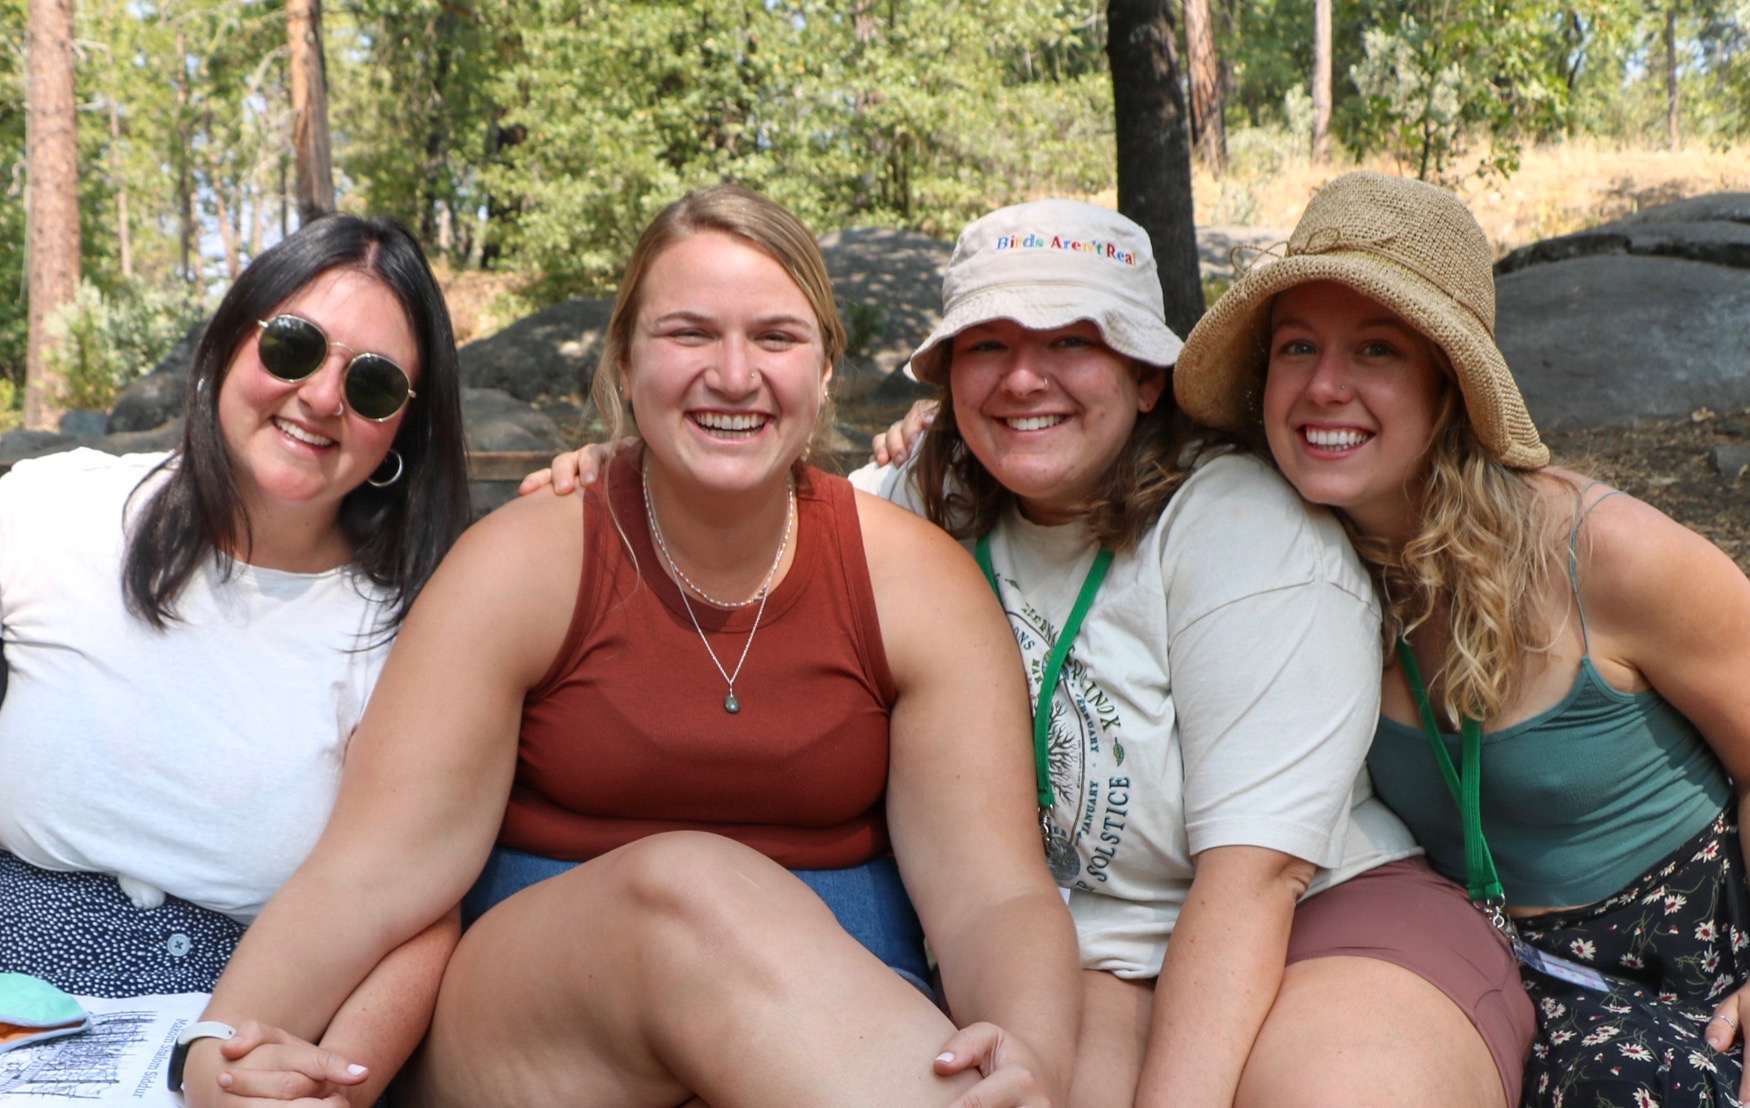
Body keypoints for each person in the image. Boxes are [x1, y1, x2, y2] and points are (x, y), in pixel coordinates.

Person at [532, 197, 1535, 1107]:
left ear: (1147, 375)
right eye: (988, 346)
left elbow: (1255, 880)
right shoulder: (912, 501)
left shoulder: (1242, 530)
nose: (1022, 378)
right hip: (1081, 961)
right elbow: (751, 507)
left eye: (1071, 342)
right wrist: (630, 470)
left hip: (1315, 917)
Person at [189, 184, 1081, 1108]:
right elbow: (374, 869)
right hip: (536, 1023)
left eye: (775, 338)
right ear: (624, 363)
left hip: (838, 1025)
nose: (733, 375)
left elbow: (995, 897)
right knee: (683, 888)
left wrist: (1031, 1057)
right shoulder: (524, 563)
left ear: (824, 371)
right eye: (689, 334)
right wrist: (223, 1042)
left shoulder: (918, 585)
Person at [1172, 168, 1750, 1106]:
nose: (1325, 386)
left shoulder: (1601, 555)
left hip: (1706, 950)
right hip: (1490, 968)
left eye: (1376, 350)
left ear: (1450, 386)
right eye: (1296, 347)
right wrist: (938, 444)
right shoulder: (1275, 557)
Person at [0, 213, 474, 1104]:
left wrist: (332, 1085)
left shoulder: (417, 627)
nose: (322, 397)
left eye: (373, 384)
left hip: (242, 1032)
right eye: (295, 346)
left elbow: (422, 905)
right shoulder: (51, 512)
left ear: (403, 429)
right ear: (227, 343)